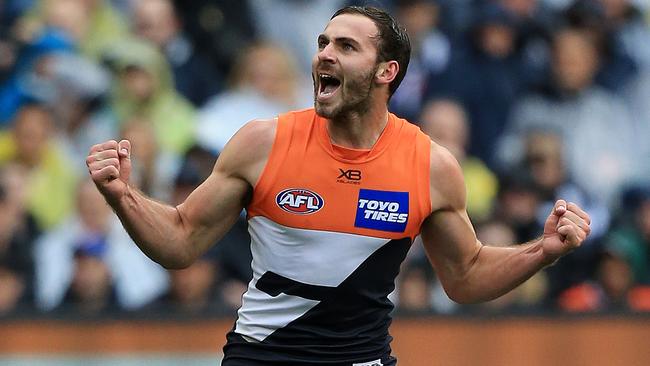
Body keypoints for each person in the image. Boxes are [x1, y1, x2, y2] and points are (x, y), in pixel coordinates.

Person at [86, 6, 592, 365]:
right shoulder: (263, 143)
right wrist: (122, 196)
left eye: (346, 46)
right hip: (262, 357)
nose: (324, 55)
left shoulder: (430, 165)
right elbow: (179, 241)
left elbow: (464, 276)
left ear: (385, 72)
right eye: (322, 43)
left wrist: (542, 251)